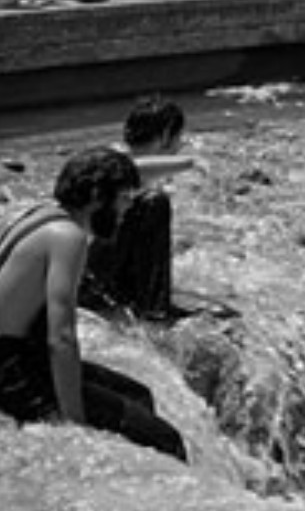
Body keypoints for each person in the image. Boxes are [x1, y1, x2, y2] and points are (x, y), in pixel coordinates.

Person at [0, 147, 187, 460]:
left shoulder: (42, 215)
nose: (129, 206)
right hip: (13, 374)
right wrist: (75, 422)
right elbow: (61, 338)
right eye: (125, 196)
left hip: (19, 360)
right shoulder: (67, 237)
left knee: (139, 395)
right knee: (166, 439)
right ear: (99, 197)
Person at [81, 96, 196, 321]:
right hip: (86, 284)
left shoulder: (110, 160)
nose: (180, 145)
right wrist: (191, 162)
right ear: (166, 135)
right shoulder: (112, 164)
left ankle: (146, 305)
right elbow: (130, 169)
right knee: (154, 202)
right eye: (179, 138)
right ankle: (154, 313)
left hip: (92, 274)